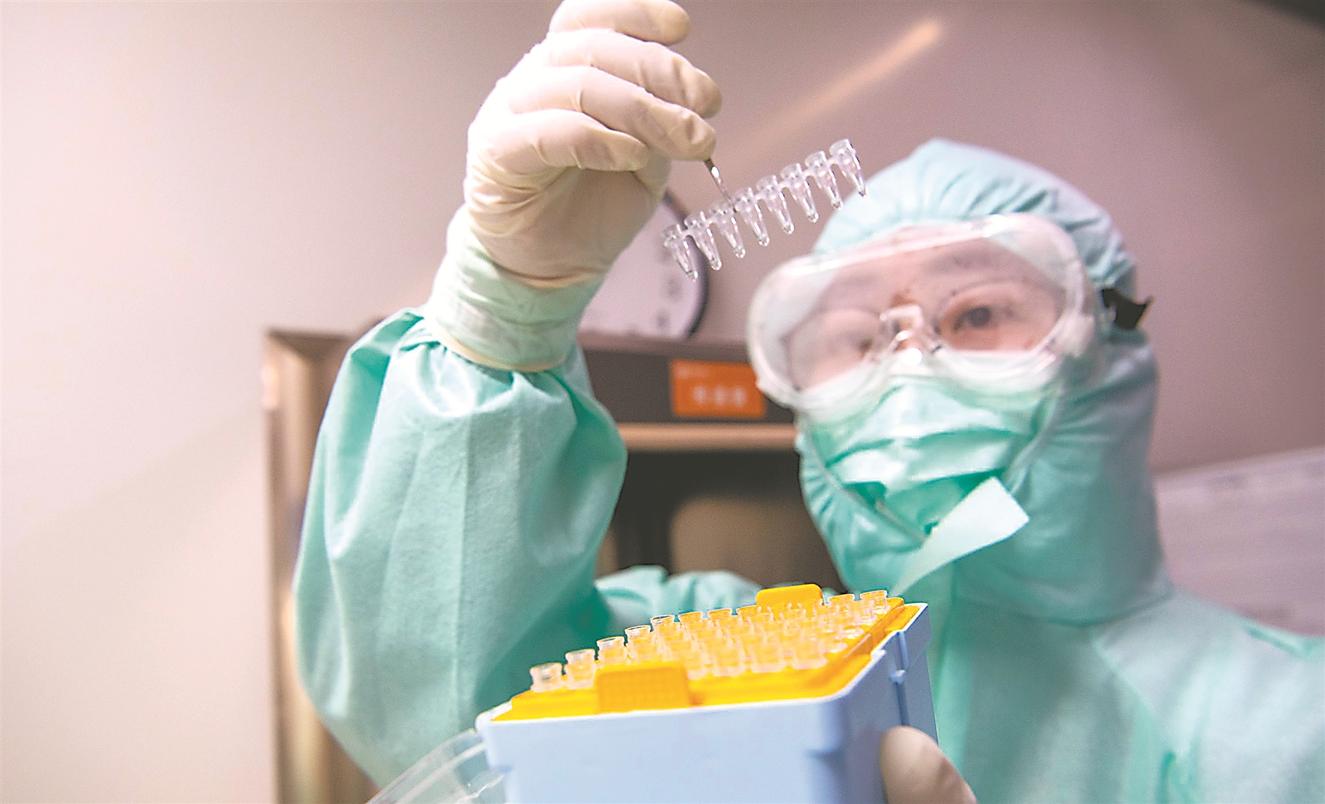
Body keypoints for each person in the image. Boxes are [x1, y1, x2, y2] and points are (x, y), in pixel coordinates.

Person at [293, 0, 1325, 801]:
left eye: (974, 316)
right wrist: (504, 310)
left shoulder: (1288, 729)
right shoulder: (730, 661)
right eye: (856, 337)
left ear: (1106, 345)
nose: (908, 367)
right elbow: (448, 721)